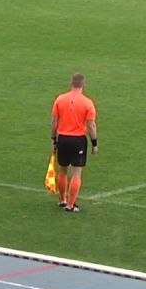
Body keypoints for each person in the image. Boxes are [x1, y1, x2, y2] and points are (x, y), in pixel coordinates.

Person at [50, 72, 97, 214]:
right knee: (76, 173)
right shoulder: (87, 102)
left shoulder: (60, 99)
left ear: (71, 83)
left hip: (63, 138)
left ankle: (62, 200)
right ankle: (71, 205)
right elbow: (91, 126)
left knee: (62, 170)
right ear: (84, 84)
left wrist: (54, 139)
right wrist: (94, 143)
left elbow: (54, 122)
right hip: (78, 140)